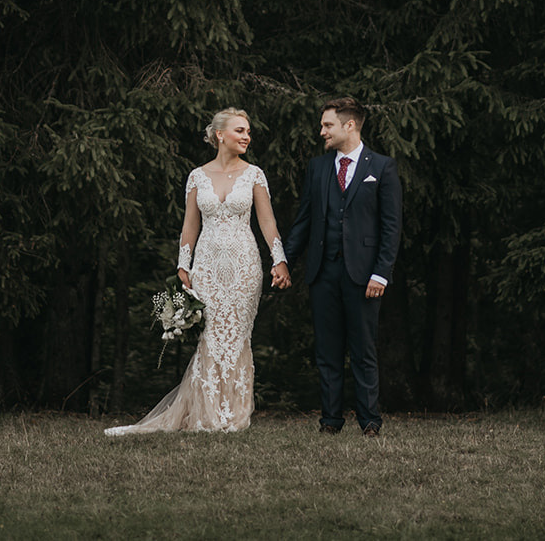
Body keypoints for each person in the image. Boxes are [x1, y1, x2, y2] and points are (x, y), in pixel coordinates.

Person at [105, 107, 291, 435]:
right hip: (206, 266)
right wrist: (183, 265)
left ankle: (234, 414)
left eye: (248, 132)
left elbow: (267, 221)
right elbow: (190, 224)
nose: (247, 136)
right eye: (240, 130)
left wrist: (279, 260)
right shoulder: (197, 176)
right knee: (211, 336)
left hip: (244, 265)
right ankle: (207, 413)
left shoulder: (254, 175)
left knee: (237, 336)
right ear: (220, 135)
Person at [282, 96, 403, 436]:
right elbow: (304, 221)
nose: (322, 131)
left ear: (349, 125)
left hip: (364, 274)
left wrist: (381, 273)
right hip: (323, 272)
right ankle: (330, 421)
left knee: (363, 350)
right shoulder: (318, 167)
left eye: (327, 125)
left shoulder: (382, 167)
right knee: (327, 351)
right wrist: (284, 261)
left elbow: (391, 226)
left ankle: (370, 421)